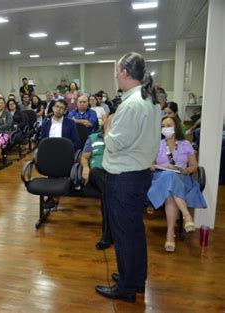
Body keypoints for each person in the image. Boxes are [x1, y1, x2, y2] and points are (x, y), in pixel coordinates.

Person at [95, 52, 162, 303]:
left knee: (124, 234)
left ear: (124, 73)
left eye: (116, 72)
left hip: (123, 179)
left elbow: (113, 144)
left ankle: (126, 289)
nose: (115, 76)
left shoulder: (132, 104)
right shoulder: (149, 100)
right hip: (138, 175)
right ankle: (135, 279)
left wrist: (107, 125)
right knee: (134, 232)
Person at [147, 116, 206, 252]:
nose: (166, 128)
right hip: (160, 178)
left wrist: (186, 170)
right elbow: (149, 165)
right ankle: (187, 216)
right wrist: (163, 165)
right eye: (163, 125)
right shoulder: (158, 144)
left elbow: (194, 166)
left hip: (181, 179)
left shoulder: (185, 144)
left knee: (171, 190)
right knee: (169, 175)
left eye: (169, 125)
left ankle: (170, 235)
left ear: (176, 126)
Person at [80, 129, 111, 250]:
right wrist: (85, 168)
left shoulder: (121, 139)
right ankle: (109, 235)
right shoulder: (93, 138)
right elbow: (84, 157)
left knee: (106, 195)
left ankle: (107, 236)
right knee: (95, 171)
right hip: (95, 175)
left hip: (112, 176)